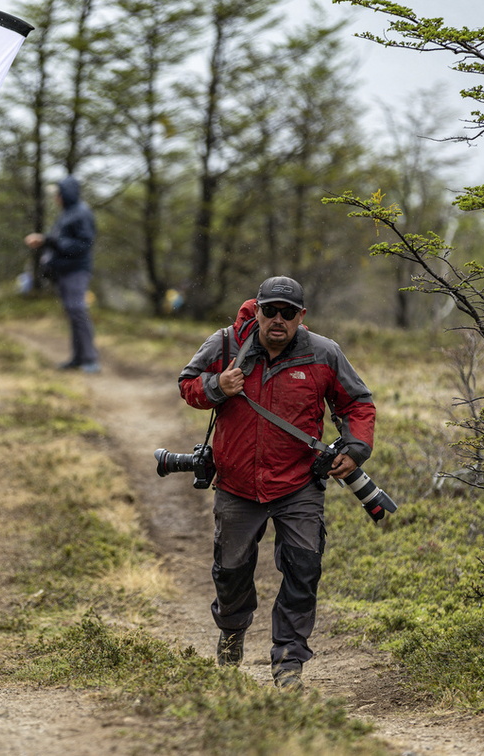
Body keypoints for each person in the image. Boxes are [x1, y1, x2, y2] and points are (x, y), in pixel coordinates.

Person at [177, 275, 376, 691]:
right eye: (271, 311)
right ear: (259, 309)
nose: (278, 320)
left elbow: (356, 403)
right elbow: (187, 385)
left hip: (298, 485)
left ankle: (289, 662)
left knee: (304, 571)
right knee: (230, 572)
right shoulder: (226, 345)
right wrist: (217, 386)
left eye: (289, 313)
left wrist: (354, 449)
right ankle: (232, 630)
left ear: (301, 316)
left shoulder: (324, 353)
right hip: (236, 483)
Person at [24, 176, 100, 373]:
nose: (55, 198)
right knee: (73, 313)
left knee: (78, 311)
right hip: (65, 270)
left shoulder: (81, 213)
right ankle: (77, 358)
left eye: (57, 194)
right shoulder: (68, 213)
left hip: (76, 270)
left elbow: (83, 244)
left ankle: (90, 359)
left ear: (65, 194)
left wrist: (49, 241)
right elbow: (62, 239)